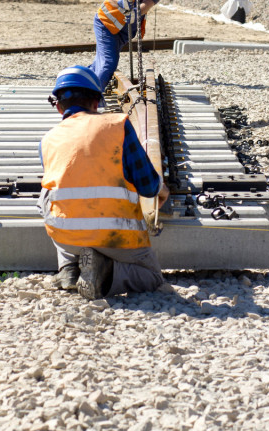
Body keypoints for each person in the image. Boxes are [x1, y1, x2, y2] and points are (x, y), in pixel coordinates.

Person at [39, 65, 171, 299]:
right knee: (151, 277)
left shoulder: (48, 139)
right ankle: (106, 271)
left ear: (58, 106)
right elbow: (148, 185)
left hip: (67, 236)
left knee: (48, 195)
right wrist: (161, 189)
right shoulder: (117, 125)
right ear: (96, 103)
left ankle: (69, 267)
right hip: (116, 235)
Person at [90, 0, 171, 90]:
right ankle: (93, 97)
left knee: (100, 63)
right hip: (106, 24)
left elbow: (148, 3)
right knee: (109, 63)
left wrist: (135, 12)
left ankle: (78, 82)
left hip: (123, 32)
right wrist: (121, 2)